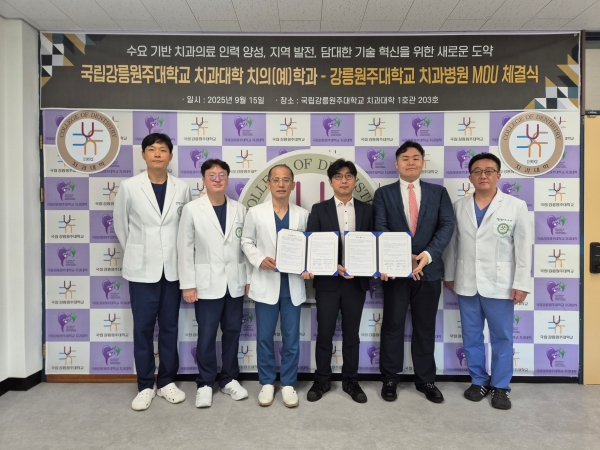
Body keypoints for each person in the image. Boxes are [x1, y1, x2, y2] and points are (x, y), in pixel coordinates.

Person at [443, 153, 531, 410]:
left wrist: (521, 283)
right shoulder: (459, 206)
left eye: (489, 171)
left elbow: (523, 248)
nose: (483, 175)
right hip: (467, 282)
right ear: (470, 177)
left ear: (498, 176)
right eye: (477, 171)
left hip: (501, 284)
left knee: (502, 337)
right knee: (471, 336)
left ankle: (501, 387)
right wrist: (450, 274)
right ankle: (478, 381)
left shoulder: (515, 206)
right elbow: (451, 245)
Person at [113, 133, 192, 411]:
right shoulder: (129, 186)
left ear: (170, 155)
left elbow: (186, 228)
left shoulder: (182, 188)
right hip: (142, 270)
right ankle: (145, 385)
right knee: (143, 329)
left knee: (170, 328)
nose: (157, 154)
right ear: (143, 155)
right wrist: (140, 251)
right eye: (151, 149)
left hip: (172, 270)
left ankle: (167, 381)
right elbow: (121, 226)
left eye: (162, 150)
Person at [373, 140, 454, 403]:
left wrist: (426, 256)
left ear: (423, 163)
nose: (411, 162)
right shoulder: (383, 194)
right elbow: (381, 227)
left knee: (425, 327)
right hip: (396, 272)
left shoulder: (438, 193)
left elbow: (446, 225)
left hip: (429, 271)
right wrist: (402, 257)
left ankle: (426, 380)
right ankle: (389, 378)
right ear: (396, 164)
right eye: (405, 158)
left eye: (416, 158)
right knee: (393, 325)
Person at [177, 159, 251, 408]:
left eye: (222, 175)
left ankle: (229, 379)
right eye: (212, 175)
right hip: (206, 284)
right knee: (207, 335)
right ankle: (205, 383)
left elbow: (245, 247)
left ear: (227, 179)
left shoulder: (240, 209)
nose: (217, 179)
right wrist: (188, 284)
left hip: (234, 283)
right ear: (203, 180)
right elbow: (185, 249)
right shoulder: (192, 209)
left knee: (232, 333)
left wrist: (248, 279)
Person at [302, 159, 374, 403]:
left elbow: (374, 244)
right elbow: (312, 245)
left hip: (356, 282)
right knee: (325, 333)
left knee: (352, 335)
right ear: (330, 182)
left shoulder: (367, 210)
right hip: (328, 282)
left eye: (348, 176)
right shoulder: (319, 209)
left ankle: (350, 381)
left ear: (355, 180)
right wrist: (333, 266)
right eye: (338, 176)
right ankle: (322, 380)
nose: (344, 180)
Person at [241, 164, 309, 408]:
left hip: (293, 285)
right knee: (264, 337)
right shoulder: (255, 213)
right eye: (276, 180)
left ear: (293, 185)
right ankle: (267, 382)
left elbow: (309, 247)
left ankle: (288, 384)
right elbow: (246, 241)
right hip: (265, 282)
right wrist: (259, 259)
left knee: (291, 338)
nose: (281, 184)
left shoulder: (303, 214)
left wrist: (308, 265)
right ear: (268, 184)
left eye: (286, 180)